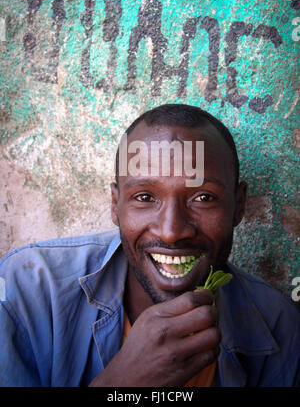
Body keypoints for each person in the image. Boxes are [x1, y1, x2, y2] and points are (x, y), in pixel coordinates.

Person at [0, 103, 299, 387]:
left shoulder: (279, 325)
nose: (171, 232)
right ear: (116, 204)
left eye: (203, 198)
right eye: (145, 197)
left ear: (239, 206)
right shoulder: (28, 290)